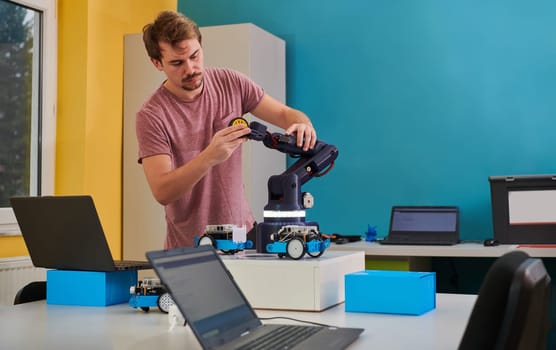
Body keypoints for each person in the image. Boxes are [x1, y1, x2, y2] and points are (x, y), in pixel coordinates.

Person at [136, 10, 317, 249]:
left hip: (244, 238)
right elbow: (162, 191)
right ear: (157, 63)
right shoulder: (152, 115)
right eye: (177, 63)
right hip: (190, 247)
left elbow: (285, 114)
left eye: (195, 55)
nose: (190, 69)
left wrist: (303, 124)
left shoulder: (231, 82)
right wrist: (210, 156)